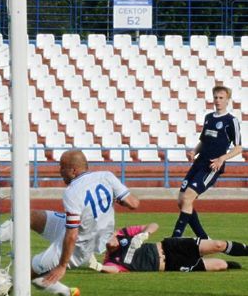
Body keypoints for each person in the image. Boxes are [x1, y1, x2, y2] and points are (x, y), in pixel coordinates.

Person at [0, 150, 140, 296]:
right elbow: (133, 203)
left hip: (80, 244)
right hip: (85, 230)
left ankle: (64, 292)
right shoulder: (106, 176)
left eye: (62, 167)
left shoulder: (72, 192)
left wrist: (62, 265)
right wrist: (113, 200)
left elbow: (72, 234)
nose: (59, 171)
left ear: (73, 170)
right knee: (28, 217)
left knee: (30, 271)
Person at [171, 86, 242, 239]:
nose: (218, 100)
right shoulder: (209, 117)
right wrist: (193, 152)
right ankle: (203, 238)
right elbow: (203, 141)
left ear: (227, 100)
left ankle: (175, 238)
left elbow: (238, 148)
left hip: (211, 166)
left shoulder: (231, 121)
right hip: (198, 163)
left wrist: (222, 159)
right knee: (181, 201)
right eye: (216, 97)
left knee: (188, 198)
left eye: (221, 98)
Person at [91, 223, 246, 273]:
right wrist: (98, 267)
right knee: (220, 265)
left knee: (218, 245)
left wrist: (144, 234)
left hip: (171, 246)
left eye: (110, 236)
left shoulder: (123, 234)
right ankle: (230, 264)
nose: (111, 241)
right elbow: (112, 270)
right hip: (171, 264)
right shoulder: (111, 261)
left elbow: (153, 225)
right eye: (106, 242)